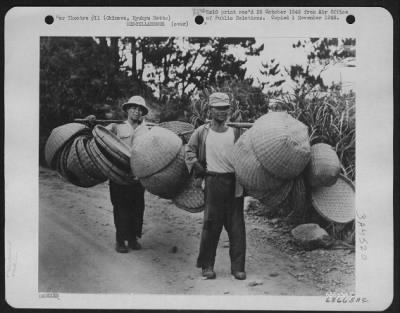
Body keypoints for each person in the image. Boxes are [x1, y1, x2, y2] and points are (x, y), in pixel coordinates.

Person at [185, 92, 246, 280]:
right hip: (212, 182)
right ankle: (207, 265)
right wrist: (197, 166)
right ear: (210, 109)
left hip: (233, 183)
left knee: (236, 227)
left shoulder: (236, 132)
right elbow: (189, 151)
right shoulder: (202, 132)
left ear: (229, 110)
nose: (222, 112)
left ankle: (237, 267)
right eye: (218, 108)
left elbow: (247, 153)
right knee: (211, 226)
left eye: (225, 108)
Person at [87, 95, 150, 253]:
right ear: (127, 110)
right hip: (118, 173)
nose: (136, 111)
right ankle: (120, 240)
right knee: (121, 206)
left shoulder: (147, 130)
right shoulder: (116, 127)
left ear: (142, 112)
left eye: (139, 109)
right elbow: (99, 135)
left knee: (137, 207)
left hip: (137, 174)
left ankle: (133, 238)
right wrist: (91, 124)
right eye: (133, 108)